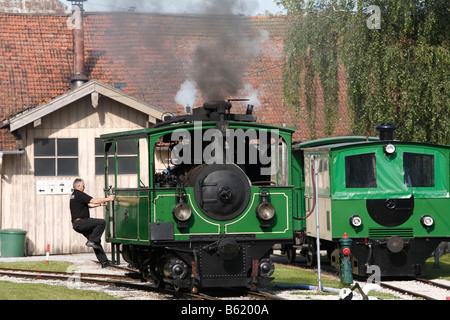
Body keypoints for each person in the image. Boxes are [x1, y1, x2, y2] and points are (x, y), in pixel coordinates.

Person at [70, 178, 115, 268]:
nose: (84, 187)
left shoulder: (74, 195)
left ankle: (104, 262)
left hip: (77, 224)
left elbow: (89, 205)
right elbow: (93, 200)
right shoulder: (79, 194)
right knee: (101, 222)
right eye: (83, 186)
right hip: (81, 222)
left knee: (96, 242)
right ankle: (92, 241)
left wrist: (101, 204)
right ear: (78, 186)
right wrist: (109, 198)